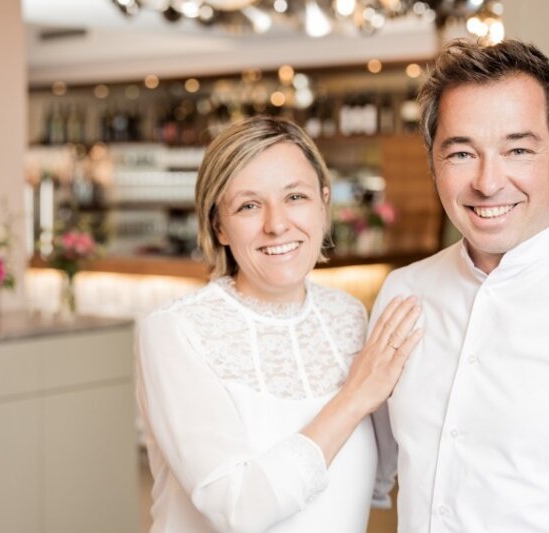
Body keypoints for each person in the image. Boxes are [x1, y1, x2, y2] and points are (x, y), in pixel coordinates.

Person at [370, 39, 549, 532]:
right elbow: (367, 473)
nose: (487, 182)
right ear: (433, 162)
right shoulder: (403, 293)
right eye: (461, 153)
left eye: (518, 150)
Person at [135, 115, 422, 532]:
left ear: (323, 204)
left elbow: (372, 483)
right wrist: (354, 398)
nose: (276, 224)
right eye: (249, 206)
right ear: (219, 226)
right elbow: (237, 508)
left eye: (295, 197)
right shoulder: (174, 331)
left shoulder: (349, 315)